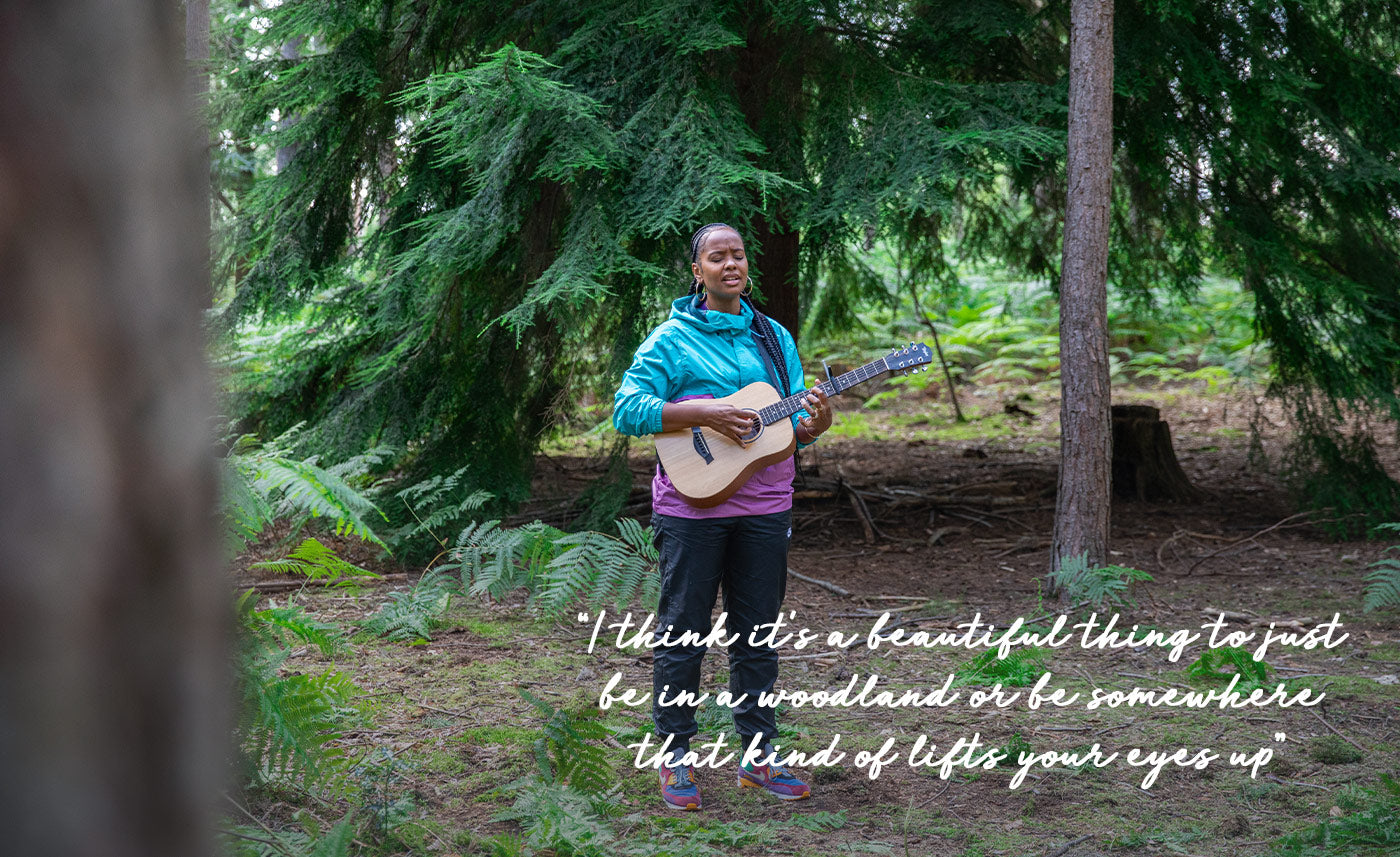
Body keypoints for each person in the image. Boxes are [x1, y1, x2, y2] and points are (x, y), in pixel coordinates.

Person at [612, 222, 833, 811]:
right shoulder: (669, 339)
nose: (729, 264)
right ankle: (676, 758)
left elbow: (785, 430)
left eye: (737, 255)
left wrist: (815, 424)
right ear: (698, 270)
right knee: (683, 629)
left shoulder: (773, 335)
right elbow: (628, 410)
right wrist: (702, 414)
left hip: (765, 505)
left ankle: (759, 756)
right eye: (717, 257)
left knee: (756, 633)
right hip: (692, 505)